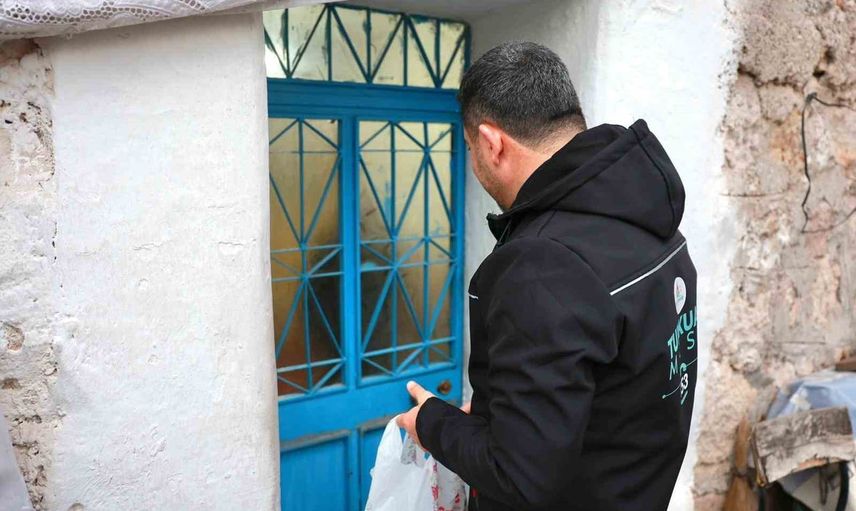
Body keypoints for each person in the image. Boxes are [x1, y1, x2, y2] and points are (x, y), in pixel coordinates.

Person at [396, 41, 698, 511]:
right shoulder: (647, 219)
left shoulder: (543, 265)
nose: (474, 163)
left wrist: (432, 424)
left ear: (492, 143)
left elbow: (520, 477)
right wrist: (503, 413)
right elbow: (610, 394)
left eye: (471, 149)